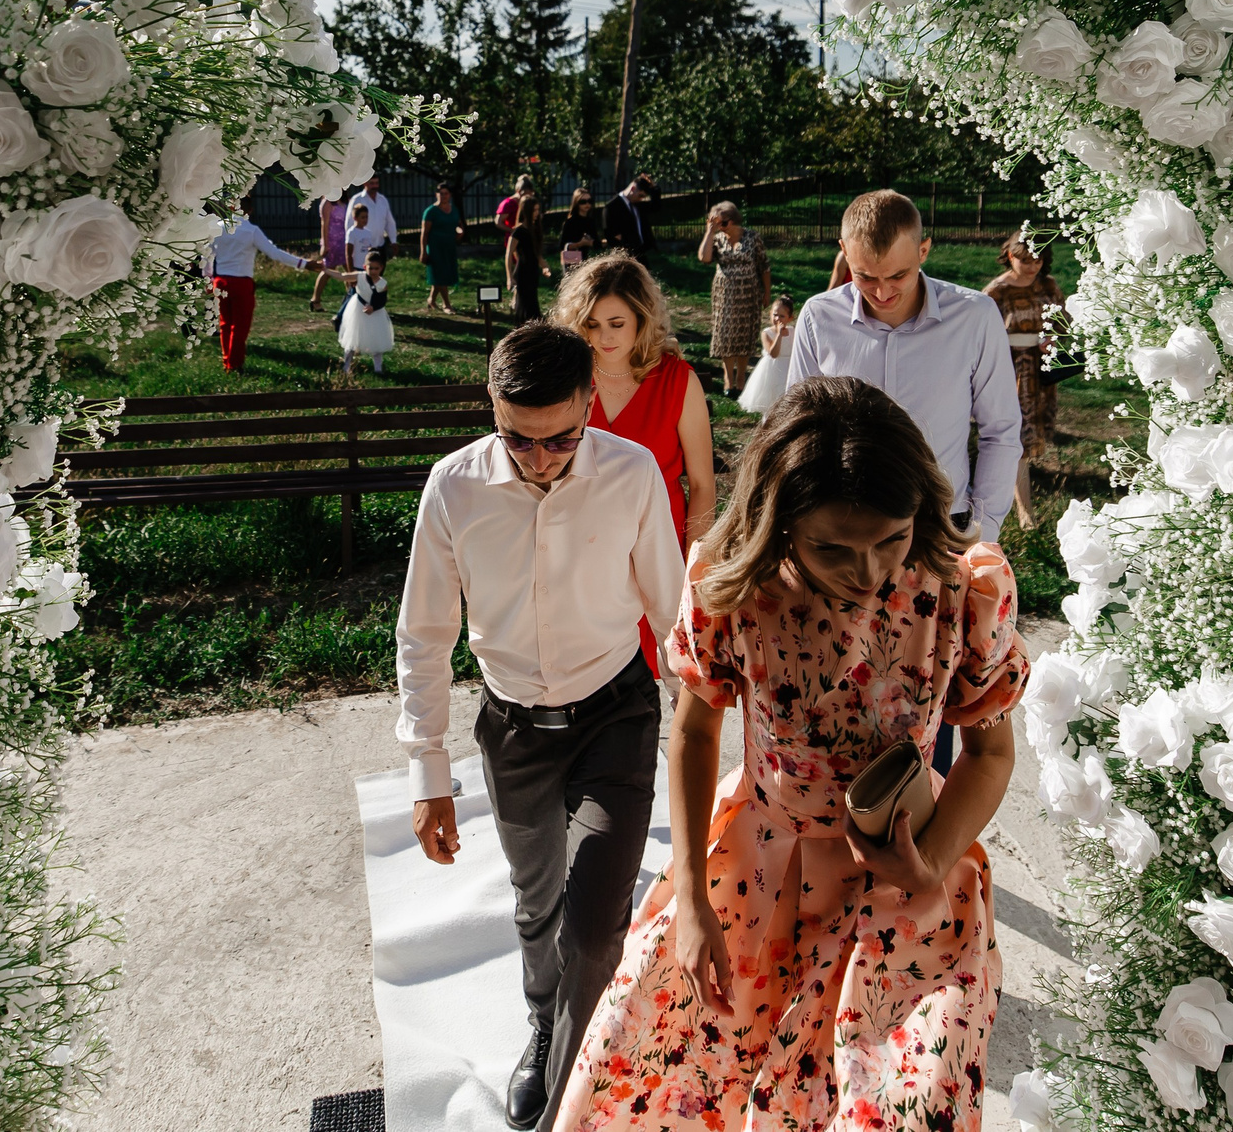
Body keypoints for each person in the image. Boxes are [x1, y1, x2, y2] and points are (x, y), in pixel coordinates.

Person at [552, 377, 1029, 1132]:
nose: (869, 571)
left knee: (896, 1105)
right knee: (668, 1066)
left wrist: (933, 857)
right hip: (757, 862)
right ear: (779, 523)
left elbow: (992, 753)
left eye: (891, 539)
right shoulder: (729, 584)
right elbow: (696, 731)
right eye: (833, 547)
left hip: (907, 878)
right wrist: (690, 899)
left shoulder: (967, 589)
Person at [397, 324, 687, 1131]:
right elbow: (424, 632)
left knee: (595, 930)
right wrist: (428, 773)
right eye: (518, 439)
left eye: (562, 436)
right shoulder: (453, 487)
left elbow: (672, 612)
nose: (542, 457)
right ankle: (542, 1020)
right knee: (537, 907)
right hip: (514, 727)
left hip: (614, 716)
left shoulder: (630, 474)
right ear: (491, 408)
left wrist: (702, 728)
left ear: (592, 401)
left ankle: (570, 1087)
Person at [784, 189, 1021, 775]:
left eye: (899, 274)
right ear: (843, 253)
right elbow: (794, 433)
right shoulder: (819, 317)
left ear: (926, 250)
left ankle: (918, 848)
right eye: (866, 277)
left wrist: (979, 533)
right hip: (835, 548)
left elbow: (1000, 432)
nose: (884, 291)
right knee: (827, 707)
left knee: (922, 715)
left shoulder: (974, 318)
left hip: (934, 545)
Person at [553, 253, 716, 674]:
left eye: (616, 324)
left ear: (641, 319)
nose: (603, 337)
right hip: (583, 554)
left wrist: (693, 567)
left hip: (660, 548)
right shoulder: (565, 379)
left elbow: (701, 483)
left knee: (676, 675)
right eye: (591, 324)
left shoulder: (678, 379)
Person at [984, 229, 1065, 529]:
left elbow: (1061, 319)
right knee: (1017, 436)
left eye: (1038, 260)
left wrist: (1051, 338)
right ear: (1009, 256)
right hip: (1010, 369)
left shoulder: (1048, 285)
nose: (1032, 266)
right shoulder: (996, 292)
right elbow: (982, 334)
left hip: (1040, 368)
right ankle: (1024, 510)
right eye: (1025, 260)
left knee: (1033, 433)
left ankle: (1023, 484)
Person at [203, 195, 322, 373]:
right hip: (241, 281)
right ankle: (235, 364)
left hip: (220, 281)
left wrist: (208, 279)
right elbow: (274, 253)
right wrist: (304, 263)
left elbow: (207, 256)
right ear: (250, 211)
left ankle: (227, 361)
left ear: (231, 208)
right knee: (240, 326)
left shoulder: (218, 228)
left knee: (225, 323)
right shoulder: (251, 231)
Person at [694, 201, 767, 396]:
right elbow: (704, 258)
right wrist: (710, 232)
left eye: (722, 223)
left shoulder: (752, 238)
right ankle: (728, 378)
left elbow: (764, 267)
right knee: (725, 334)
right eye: (716, 224)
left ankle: (741, 378)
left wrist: (766, 292)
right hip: (724, 294)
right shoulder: (717, 239)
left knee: (744, 335)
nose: (720, 227)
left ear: (733, 221)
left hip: (748, 293)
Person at [733, 294, 794, 415]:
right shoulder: (767, 333)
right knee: (770, 400)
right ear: (770, 313)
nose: (777, 319)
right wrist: (779, 335)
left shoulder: (793, 331)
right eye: (775, 315)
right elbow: (774, 353)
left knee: (787, 398)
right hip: (772, 369)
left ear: (790, 318)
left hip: (788, 367)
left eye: (782, 316)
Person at [340, 246, 395, 375]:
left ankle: (378, 368)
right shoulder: (360, 277)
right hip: (357, 310)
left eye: (377, 268)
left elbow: (382, 300)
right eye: (371, 268)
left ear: (381, 268)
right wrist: (326, 270)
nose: (374, 271)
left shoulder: (382, 283)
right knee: (352, 338)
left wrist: (373, 307)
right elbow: (342, 276)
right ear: (365, 267)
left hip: (376, 314)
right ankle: (346, 366)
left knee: (376, 340)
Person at [505, 182, 550, 323]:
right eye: (534, 210)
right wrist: (509, 277)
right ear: (526, 211)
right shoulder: (518, 231)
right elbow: (508, 254)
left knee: (532, 306)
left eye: (538, 210)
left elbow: (536, 253)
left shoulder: (534, 230)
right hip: (522, 273)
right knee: (527, 309)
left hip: (533, 272)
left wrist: (545, 267)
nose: (537, 213)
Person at [419, 181, 462, 313]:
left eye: (446, 194)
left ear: (450, 195)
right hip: (435, 247)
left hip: (449, 247)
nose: (443, 196)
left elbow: (458, 224)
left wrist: (461, 231)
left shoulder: (453, 209)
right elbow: (424, 233)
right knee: (440, 274)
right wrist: (423, 251)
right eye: (441, 193)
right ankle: (446, 304)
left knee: (444, 275)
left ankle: (431, 299)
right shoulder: (431, 211)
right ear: (436, 194)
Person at [309, 188, 352, 310]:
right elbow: (325, 223)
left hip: (344, 239)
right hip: (332, 241)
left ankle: (350, 298)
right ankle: (315, 299)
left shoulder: (345, 201)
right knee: (328, 269)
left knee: (349, 270)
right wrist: (325, 244)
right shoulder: (327, 202)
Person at [603, 175, 654, 259]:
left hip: (641, 252)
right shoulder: (611, 207)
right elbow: (611, 236)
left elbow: (655, 207)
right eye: (640, 196)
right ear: (633, 189)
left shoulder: (637, 205)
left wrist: (654, 188)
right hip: (624, 255)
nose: (641, 199)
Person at [559, 186, 599, 268]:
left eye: (589, 201)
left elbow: (597, 242)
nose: (587, 204)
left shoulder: (590, 221)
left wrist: (592, 243)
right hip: (573, 259)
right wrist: (580, 244)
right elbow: (563, 246)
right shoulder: (570, 222)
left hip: (587, 259)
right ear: (576, 203)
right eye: (583, 201)